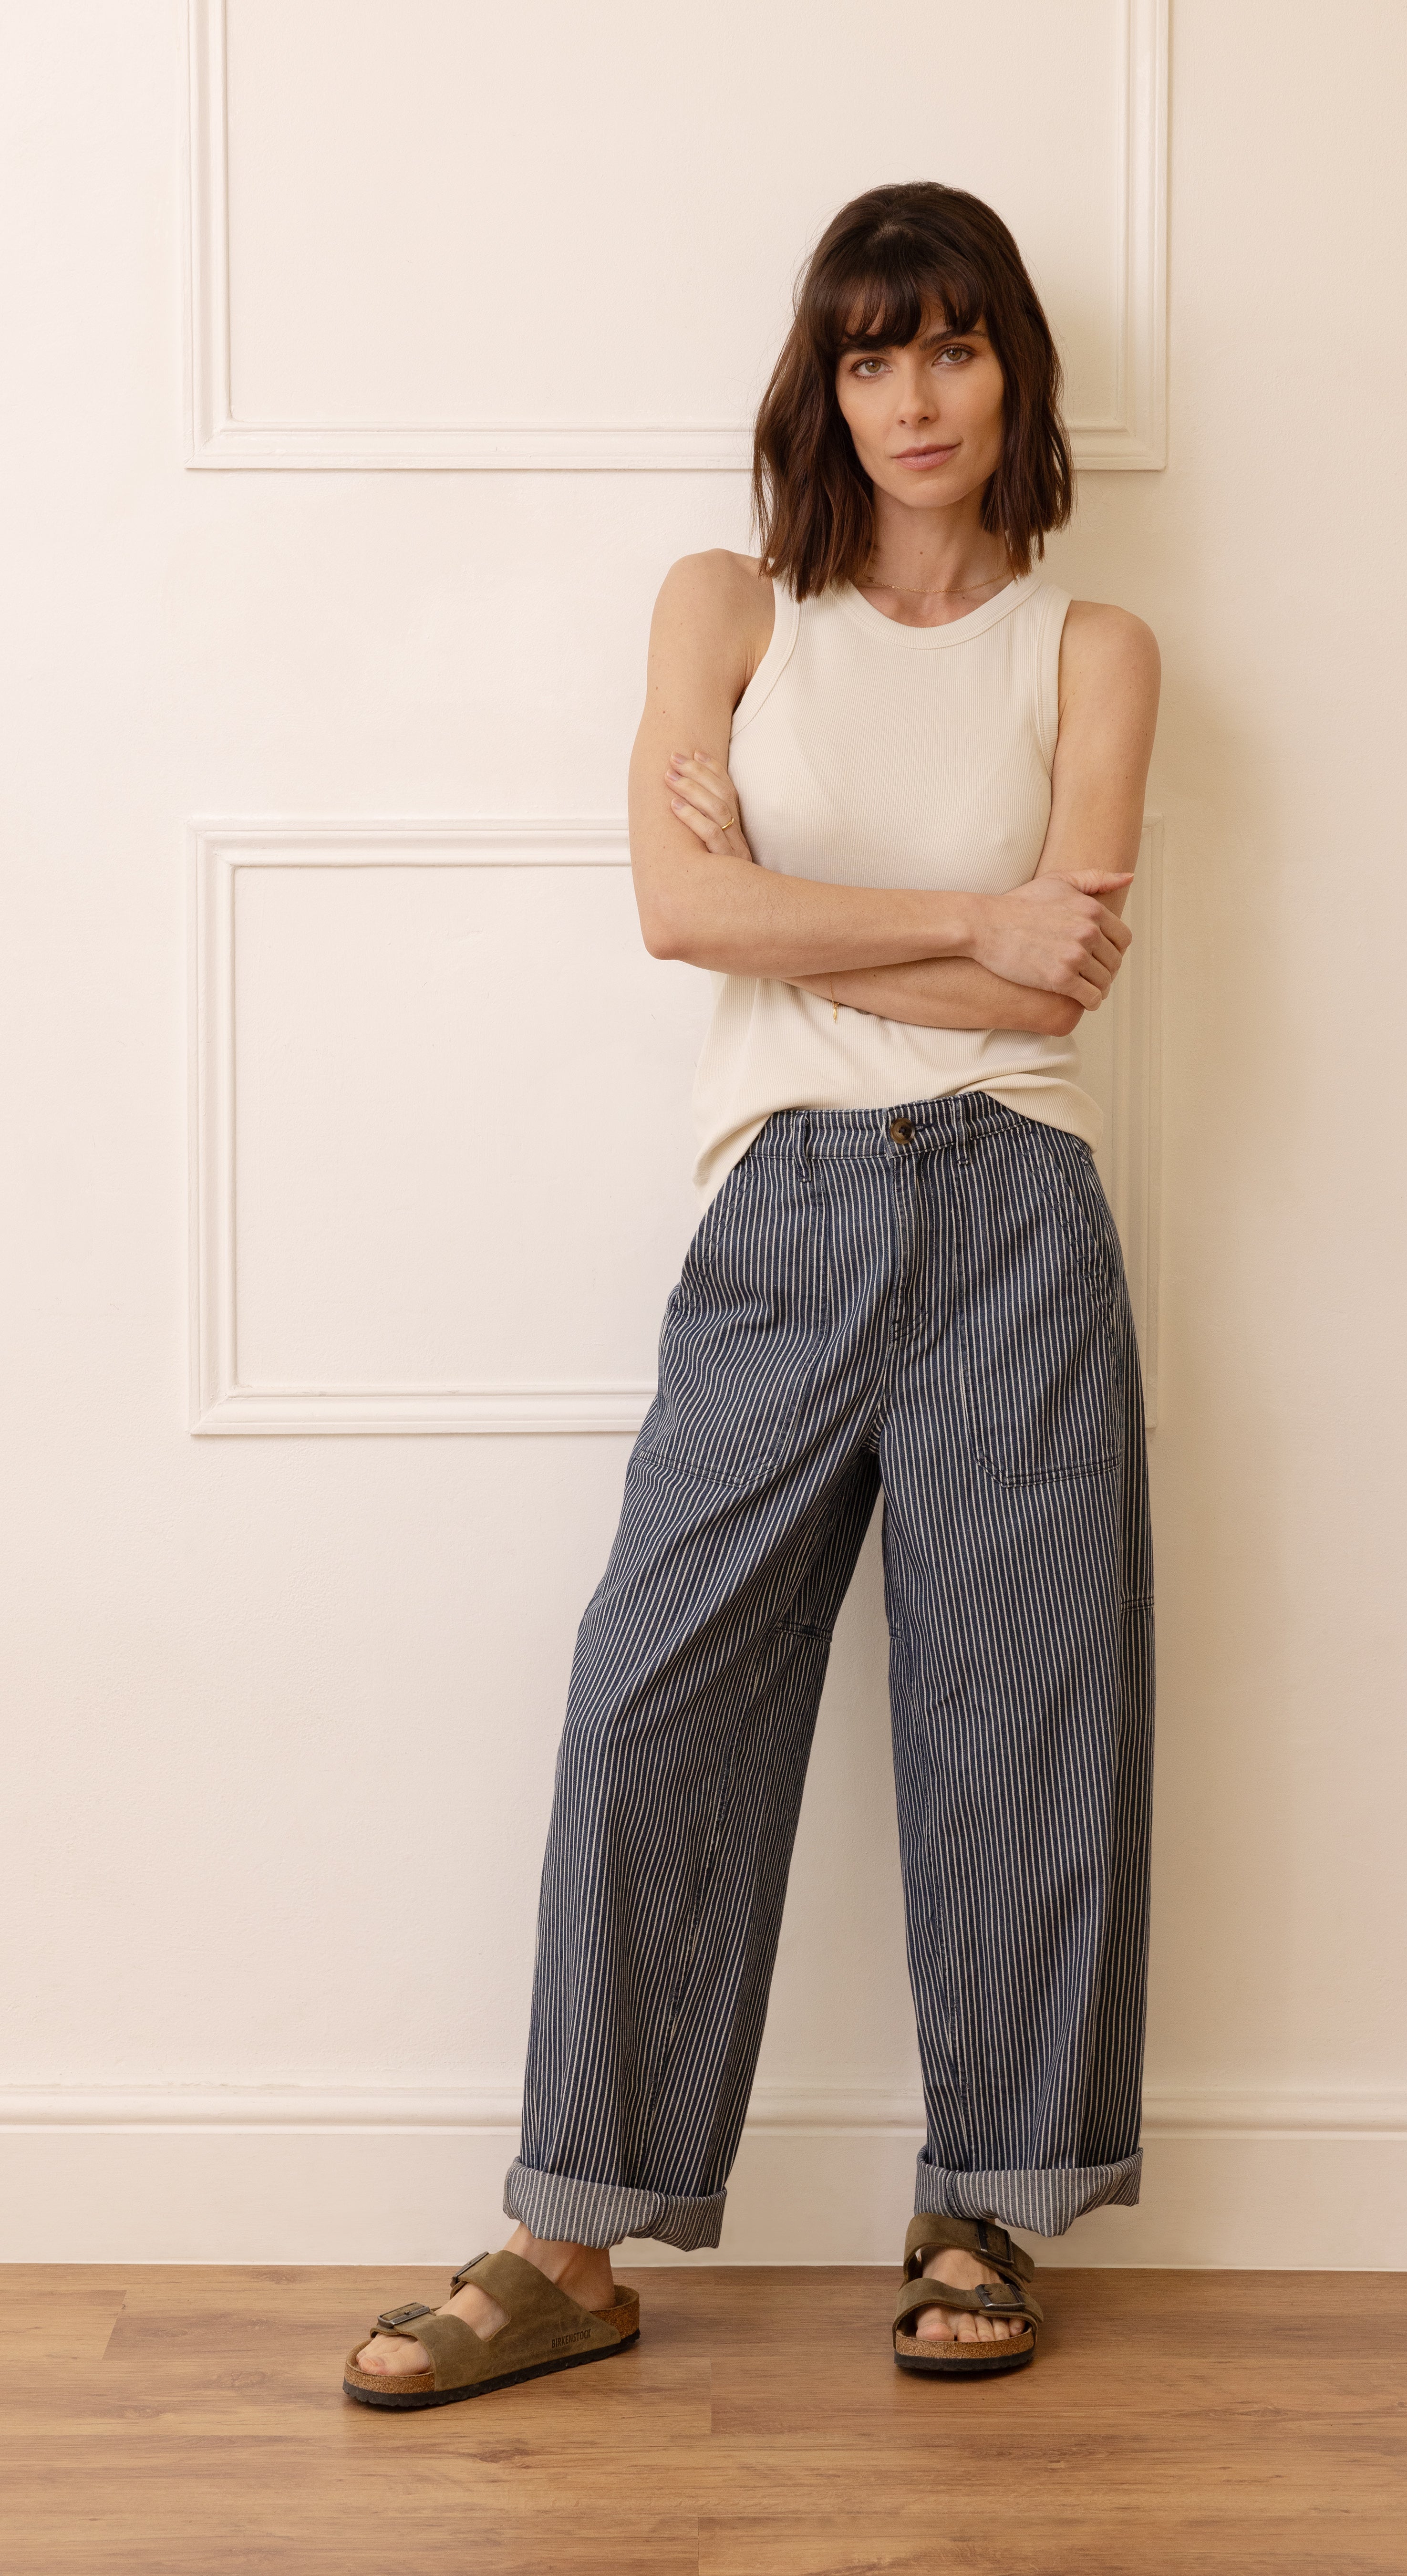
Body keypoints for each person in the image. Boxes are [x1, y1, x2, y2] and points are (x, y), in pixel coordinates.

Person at [342, 177, 1160, 2408]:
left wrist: (827, 901)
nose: (918, 394)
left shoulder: (1096, 651)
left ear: (1016, 379)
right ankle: (572, 2239)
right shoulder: (729, 605)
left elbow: (1062, 947)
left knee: (1017, 1727)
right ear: (826, 379)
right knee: (650, 1696)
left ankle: (982, 2196)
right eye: (877, 350)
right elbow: (674, 916)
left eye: (960, 345)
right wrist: (960, 926)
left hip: (1017, 1207)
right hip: (778, 1210)